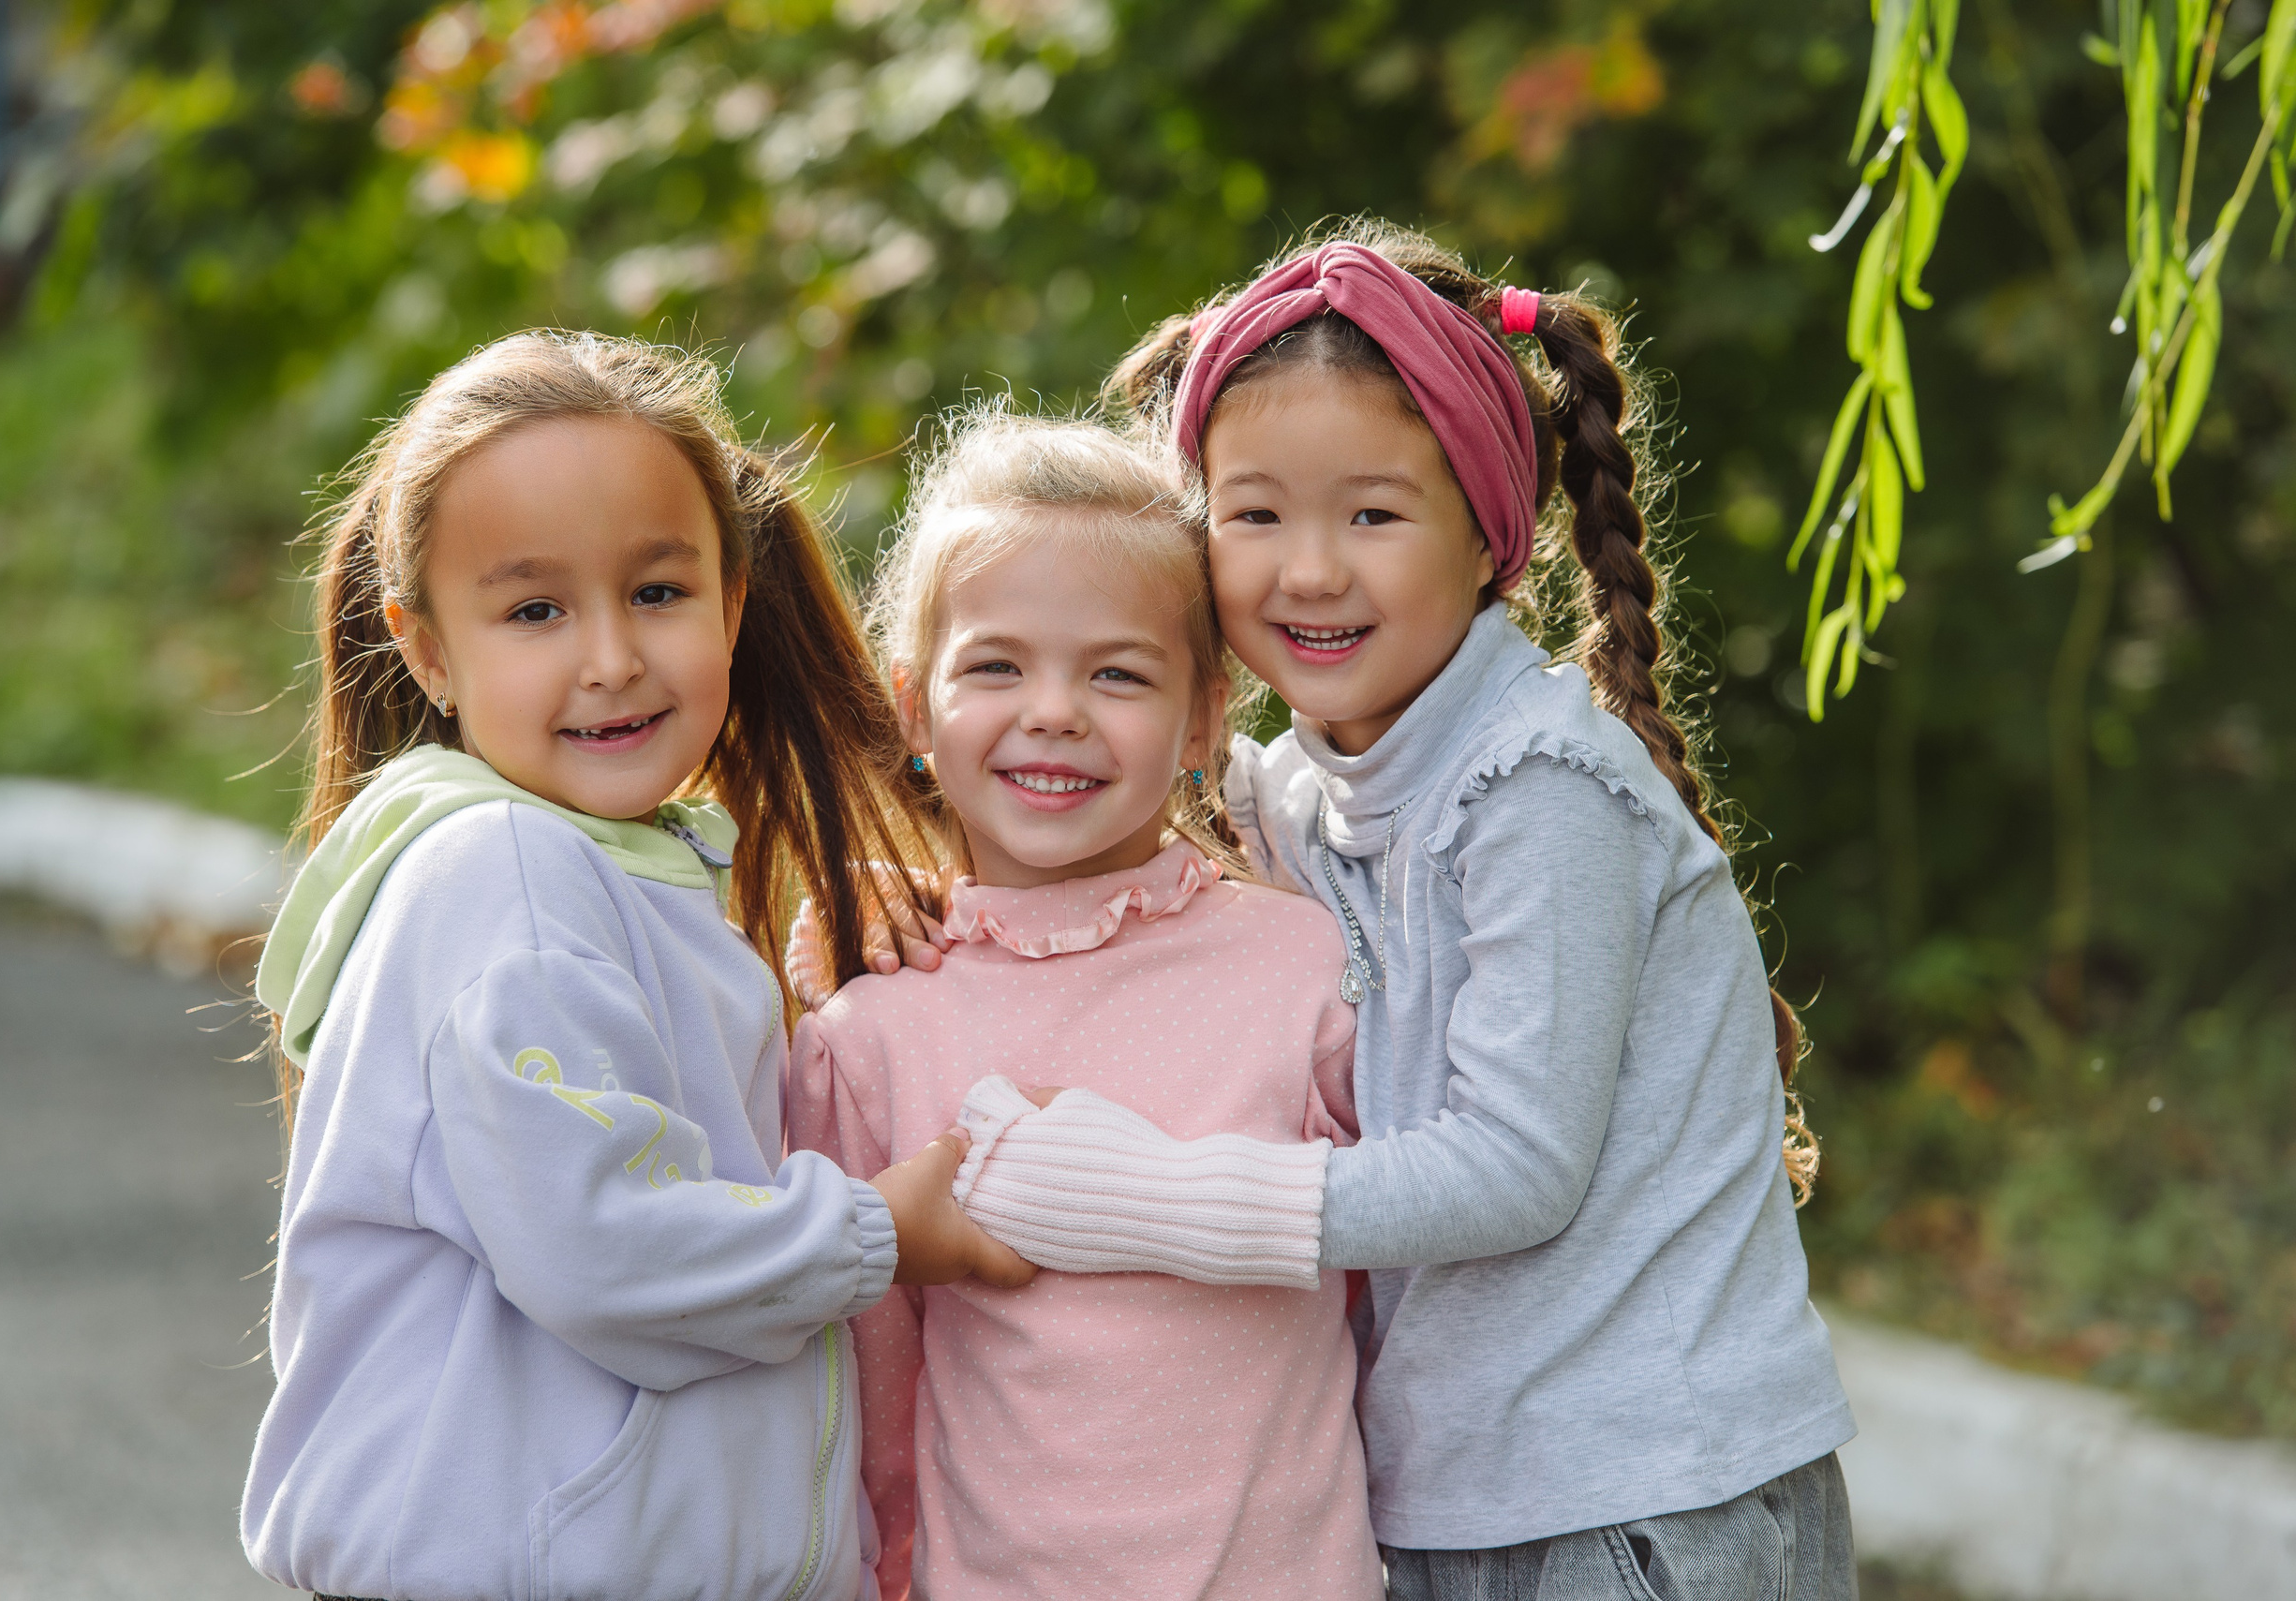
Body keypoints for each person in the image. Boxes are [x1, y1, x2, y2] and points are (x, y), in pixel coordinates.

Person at [904, 225, 1860, 1599]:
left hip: (1651, 1497)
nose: (1308, 570)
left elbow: (1514, 1170)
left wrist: (1153, 1195)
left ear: (1489, 537)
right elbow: (1070, 784)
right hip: (1452, 1496)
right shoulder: (1294, 794)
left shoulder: (1541, 787)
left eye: (1372, 514)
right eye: (1254, 514)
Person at [242, 330, 1029, 1601]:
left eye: (656, 593)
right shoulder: (508, 875)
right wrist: (884, 1228)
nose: (609, 656)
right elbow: (608, 1248)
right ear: (428, 647)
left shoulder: (618, 868)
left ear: (732, 598)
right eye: (536, 610)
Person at [785, 410, 1383, 1601]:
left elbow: (1398, 1294)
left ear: (1204, 719)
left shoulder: (1302, 959)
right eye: (997, 665)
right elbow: (868, 1379)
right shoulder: (869, 1029)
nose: (1054, 708)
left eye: (1116, 672)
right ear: (915, 709)